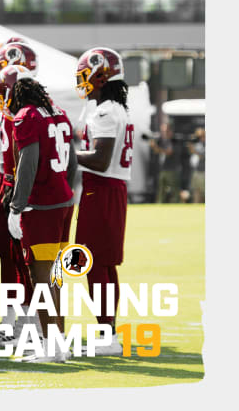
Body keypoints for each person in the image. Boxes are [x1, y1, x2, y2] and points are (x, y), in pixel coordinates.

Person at [2, 72, 77, 363]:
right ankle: (59, 344)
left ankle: (51, 346)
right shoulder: (58, 112)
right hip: (63, 199)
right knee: (55, 278)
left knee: (41, 278)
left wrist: (16, 206)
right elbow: (69, 161)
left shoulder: (26, 115)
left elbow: (28, 164)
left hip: (42, 205)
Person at [75, 48, 133, 356]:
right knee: (104, 265)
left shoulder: (105, 111)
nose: (82, 82)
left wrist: (65, 154)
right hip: (108, 189)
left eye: (85, 75)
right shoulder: (112, 108)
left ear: (100, 75)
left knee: (95, 264)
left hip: (102, 187)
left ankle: (106, 334)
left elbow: (99, 159)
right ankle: (107, 330)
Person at [150, 121, 181, 203]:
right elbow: (158, 151)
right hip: (163, 169)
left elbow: (169, 152)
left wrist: (156, 147)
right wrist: (154, 146)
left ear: (170, 131)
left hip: (172, 170)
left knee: (174, 190)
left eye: (165, 131)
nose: (164, 133)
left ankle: (177, 205)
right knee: (161, 190)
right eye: (162, 131)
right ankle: (160, 205)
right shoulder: (163, 141)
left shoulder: (174, 140)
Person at [187, 127, 205, 204]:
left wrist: (193, 150)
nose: (199, 138)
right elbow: (191, 152)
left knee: (203, 192)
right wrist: (191, 142)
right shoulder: (197, 144)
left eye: (201, 136)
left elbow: (201, 156)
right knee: (196, 191)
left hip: (204, 172)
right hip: (196, 171)